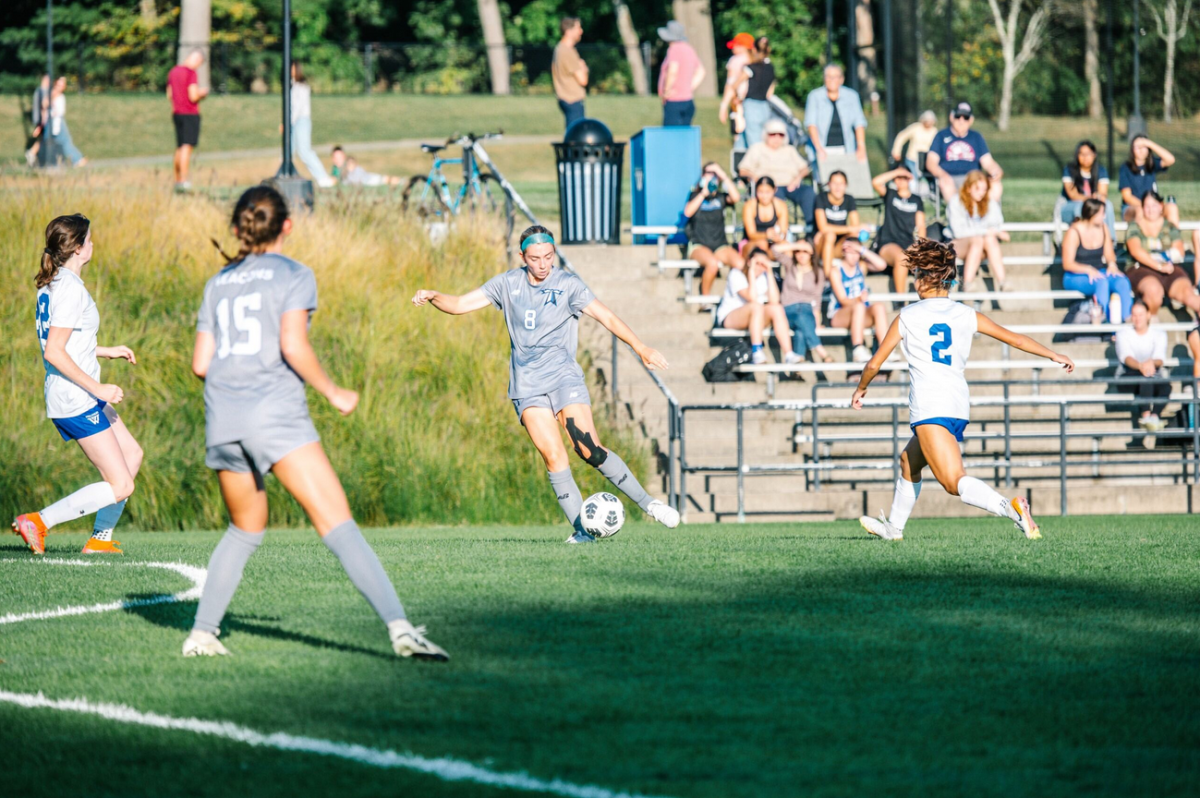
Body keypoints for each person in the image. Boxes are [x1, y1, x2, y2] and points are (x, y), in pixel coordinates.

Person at [183, 186, 446, 660]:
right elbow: (292, 344)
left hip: (223, 417)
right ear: (287, 225)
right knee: (338, 525)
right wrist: (334, 391)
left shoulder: (218, 281)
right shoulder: (295, 274)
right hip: (274, 416)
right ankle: (401, 630)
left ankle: (201, 635)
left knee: (244, 529)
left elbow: (201, 362)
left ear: (242, 226)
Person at [412, 226, 681, 543]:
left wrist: (641, 348)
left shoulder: (568, 285)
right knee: (554, 457)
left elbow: (606, 317)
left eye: (549, 257)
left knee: (589, 450)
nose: (543, 264)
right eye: (536, 258)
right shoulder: (507, 283)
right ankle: (583, 532)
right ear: (522, 257)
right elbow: (458, 304)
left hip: (563, 377)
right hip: (527, 386)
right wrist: (433, 296)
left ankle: (650, 505)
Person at [854, 238, 1074, 541]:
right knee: (909, 461)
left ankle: (1010, 508)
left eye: (917, 273)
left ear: (926, 279)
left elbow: (874, 364)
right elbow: (1016, 339)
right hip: (956, 404)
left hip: (930, 406)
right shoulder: (965, 313)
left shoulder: (907, 316)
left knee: (951, 480)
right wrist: (1053, 355)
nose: (914, 279)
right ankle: (894, 528)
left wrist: (861, 389)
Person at [12, 214, 142, 556]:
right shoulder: (69, 288)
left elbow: (64, 343)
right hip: (76, 397)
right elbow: (55, 352)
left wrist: (104, 351)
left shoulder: (55, 283)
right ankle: (39, 522)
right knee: (121, 483)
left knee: (133, 454)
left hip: (77, 392)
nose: (94, 245)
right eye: (90, 240)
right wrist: (99, 389)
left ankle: (100, 540)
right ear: (80, 249)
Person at [716, 246, 803, 366]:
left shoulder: (764, 276)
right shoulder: (736, 274)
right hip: (730, 318)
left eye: (763, 264)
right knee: (756, 306)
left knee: (776, 308)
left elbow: (775, 299)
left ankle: (788, 354)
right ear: (749, 262)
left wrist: (770, 272)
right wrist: (751, 271)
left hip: (755, 317)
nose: (760, 266)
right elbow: (752, 297)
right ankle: (757, 350)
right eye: (757, 263)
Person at [1124, 191, 1200, 316]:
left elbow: (1179, 251)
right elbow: (1136, 251)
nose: (1150, 210)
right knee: (1154, 292)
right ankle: (1150, 322)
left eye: (1154, 205)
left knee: (1189, 295)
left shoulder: (1169, 226)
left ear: (1161, 206)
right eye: (1147, 206)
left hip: (1169, 268)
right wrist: (1159, 264)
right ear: (1142, 208)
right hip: (1141, 268)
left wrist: (1158, 259)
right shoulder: (1135, 227)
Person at [1061, 198, 1132, 324]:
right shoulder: (1074, 231)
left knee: (1122, 282)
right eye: (1101, 213)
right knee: (1101, 283)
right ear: (1091, 214)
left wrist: (1112, 264)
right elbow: (1067, 264)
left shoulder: (1103, 228)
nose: (1104, 216)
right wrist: (1088, 269)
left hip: (1099, 271)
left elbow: (1109, 254)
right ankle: (1104, 323)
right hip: (1075, 275)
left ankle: (1128, 320)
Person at [738, 118, 815, 228]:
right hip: (768, 187)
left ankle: (811, 228)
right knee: (774, 195)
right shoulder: (757, 149)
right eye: (773, 134)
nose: (777, 138)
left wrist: (798, 178)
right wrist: (756, 179)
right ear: (766, 135)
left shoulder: (790, 150)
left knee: (808, 192)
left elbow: (805, 168)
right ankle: (776, 231)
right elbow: (743, 170)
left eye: (780, 135)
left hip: (791, 185)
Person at [683, 162, 743, 297]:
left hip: (720, 245)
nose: (711, 178)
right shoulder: (695, 195)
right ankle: (705, 299)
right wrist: (703, 194)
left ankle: (738, 296)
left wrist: (723, 175)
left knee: (740, 263)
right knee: (712, 264)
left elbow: (736, 197)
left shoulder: (720, 197)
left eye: (714, 175)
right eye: (708, 174)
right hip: (699, 245)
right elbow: (688, 212)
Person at [1115, 300, 1172, 439]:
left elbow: (1160, 359)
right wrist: (1142, 366)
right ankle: (1147, 415)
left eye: (1140, 314)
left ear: (1148, 315)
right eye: (1134, 315)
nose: (1137, 318)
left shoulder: (1159, 334)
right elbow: (1126, 357)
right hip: (1127, 376)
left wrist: (1150, 363)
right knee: (1146, 377)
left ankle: (1153, 417)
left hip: (1150, 376)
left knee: (1166, 387)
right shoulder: (1123, 333)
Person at [827, 239, 889, 363]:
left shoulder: (861, 266)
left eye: (857, 253)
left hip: (859, 314)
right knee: (859, 306)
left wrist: (862, 249)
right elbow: (843, 300)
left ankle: (885, 350)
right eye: (851, 252)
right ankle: (858, 348)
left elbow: (882, 265)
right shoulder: (836, 271)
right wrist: (859, 299)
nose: (854, 257)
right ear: (844, 252)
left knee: (879, 307)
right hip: (839, 314)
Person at [926, 101, 1003, 200]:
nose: (961, 121)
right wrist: (943, 175)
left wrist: (996, 171)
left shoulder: (976, 137)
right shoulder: (941, 136)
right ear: (951, 117)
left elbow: (988, 162)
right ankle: (958, 214)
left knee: (995, 184)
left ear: (971, 120)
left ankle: (988, 215)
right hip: (950, 178)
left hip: (974, 179)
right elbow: (931, 163)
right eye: (958, 116)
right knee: (945, 182)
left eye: (966, 117)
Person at [948, 170, 1008, 291]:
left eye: (984, 189)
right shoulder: (956, 202)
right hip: (959, 245)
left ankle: (1002, 281)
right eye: (978, 188)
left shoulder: (989, 202)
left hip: (981, 247)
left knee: (988, 239)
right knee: (979, 239)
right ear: (969, 188)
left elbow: (997, 223)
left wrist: (990, 233)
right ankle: (968, 283)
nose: (982, 193)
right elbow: (958, 232)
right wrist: (987, 232)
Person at [277, 62, 334, 187]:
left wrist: (287, 123)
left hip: (301, 121)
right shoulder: (290, 85)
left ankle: (323, 178)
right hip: (292, 121)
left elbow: (297, 108)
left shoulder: (302, 87)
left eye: (291, 68)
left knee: (305, 151)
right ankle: (282, 175)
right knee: (287, 151)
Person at [872, 167, 927, 293]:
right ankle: (901, 300)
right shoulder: (890, 194)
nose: (900, 181)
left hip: (907, 243)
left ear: (909, 179)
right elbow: (875, 182)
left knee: (927, 256)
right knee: (901, 257)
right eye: (898, 178)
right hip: (887, 244)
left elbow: (921, 226)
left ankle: (926, 297)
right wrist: (897, 172)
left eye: (904, 177)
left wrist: (921, 246)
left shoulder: (916, 200)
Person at [780, 239, 833, 363]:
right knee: (801, 315)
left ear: (811, 253)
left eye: (805, 251)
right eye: (798, 251)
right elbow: (774, 250)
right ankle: (821, 352)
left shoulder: (818, 272)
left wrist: (817, 322)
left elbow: (817, 299)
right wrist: (797, 244)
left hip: (807, 311)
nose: (801, 254)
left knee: (801, 330)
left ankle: (796, 367)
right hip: (788, 310)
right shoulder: (790, 265)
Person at [804, 64, 869, 165]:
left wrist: (861, 147)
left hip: (846, 149)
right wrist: (819, 149)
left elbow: (859, 123)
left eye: (835, 77)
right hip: (822, 149)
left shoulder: (852, 96)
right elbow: (811, 124)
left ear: (841, 79)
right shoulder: (814, 96)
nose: (832, 80)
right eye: (829, 76)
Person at [167, 50, 209, 191]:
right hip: (190, 113)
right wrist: (202, 94)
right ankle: (184, 180)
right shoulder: (191, 73)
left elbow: (169, 94)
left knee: (179, 147)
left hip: (177, 112)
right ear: (197, 60)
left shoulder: (173, 71)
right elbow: (193, 96)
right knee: (187, 146)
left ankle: (177, 180)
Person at [1060, 140, 1115, 240]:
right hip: (1069, 207)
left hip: (1091, 207)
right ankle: (1081, 242)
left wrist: (1098, 197)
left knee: (1108, 205)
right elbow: (1073, 195)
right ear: (1077, 155)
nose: (1085, 157)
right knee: (1079, 207)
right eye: (1082, 154)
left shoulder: (1101, 170)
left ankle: (1111, 241)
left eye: (1088, 154)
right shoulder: (1069, 170)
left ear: (1094, 155)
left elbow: (1103, 193)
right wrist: (1090, 198)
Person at [656, 20, 705, 127]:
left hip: (674, 102)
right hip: (688, 102)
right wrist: (688, 87)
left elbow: (673, 70)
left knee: (671, 137)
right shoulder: (689, 49)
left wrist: (667, 91)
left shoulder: (674, 49)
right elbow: (701, 71)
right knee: (683, 136)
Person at [813, 170, 862, 275]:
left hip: (839, 246)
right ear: (829, 184)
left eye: (841, 184)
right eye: (834, 183)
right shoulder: (821, 198)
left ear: (846, 185)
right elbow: (823, 227)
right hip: (821, 244)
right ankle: (828, 277)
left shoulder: (849, 199)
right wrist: (848, 229)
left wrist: (850, 230)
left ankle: (853, 274)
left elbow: (855, 226)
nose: (838, 187)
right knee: (830, 235)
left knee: (854, 236)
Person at [1118, 135, 1176, 223]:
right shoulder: (1125, 168)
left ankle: (1174, 236)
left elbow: (1170, 160)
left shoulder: (1152, 164)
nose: (1141, 150)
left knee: (1171, 208)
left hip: (1153, 205)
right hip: (1132, 207)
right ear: (1132, 150)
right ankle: (1139, 236)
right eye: (1138, 147)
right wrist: (1146, 206)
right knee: (1140, 211)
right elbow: (1127, 197)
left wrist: (1149, 143)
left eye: (1144, 147)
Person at [735, 37, 775, 151]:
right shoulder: (770, 68)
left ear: (753, 50)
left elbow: (736, 84)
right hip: (765, 106)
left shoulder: (750, 68)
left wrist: (738, 97)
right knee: (752, 138)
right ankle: (739, 159)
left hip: (751, 105)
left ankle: (756, 165)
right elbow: (770, 91)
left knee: (754, 142)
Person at [718, 32, 754, 153]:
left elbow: (730, 84)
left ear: (744, 47)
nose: (733, 48)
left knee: (738, 134)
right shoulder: (755, 59)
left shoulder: (735, 61)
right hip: (753, 102)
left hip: (737, 102)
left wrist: (723, 105)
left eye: (736, 45)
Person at [552, 17, 588, 132]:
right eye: (578, 28)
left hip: (565, 98)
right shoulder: (567, 51)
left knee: (572, 135)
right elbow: (583, 80)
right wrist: (583, 68)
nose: (581, 31)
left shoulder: (559, 49)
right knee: (575, 138)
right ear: (568, 31)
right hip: (572, 100)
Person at [742, 176, 789, 253]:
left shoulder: (780, 205)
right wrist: (766, 235)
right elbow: (751, 234)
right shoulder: (750, 206)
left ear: (774, 190)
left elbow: (783, 230)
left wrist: (779, 236)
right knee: (762, 245)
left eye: (767, 192)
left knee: (786, 247)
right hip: (752, 242)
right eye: (760, 192)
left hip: (772, 242)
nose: (764, 196)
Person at [48, 76, 86, 167]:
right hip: (54, 122)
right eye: (58, 84)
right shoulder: (52, 95)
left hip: (58, 121)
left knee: (64, 142)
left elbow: (60, 112)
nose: (60, 87)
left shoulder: (60, 97)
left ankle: (77, 159)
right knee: (61, 142)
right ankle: (74, 160)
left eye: (62, 85)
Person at [890, 110, 939, 178]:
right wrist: (896, 151)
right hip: (912, 159)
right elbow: (902, 137)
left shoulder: (934, 131)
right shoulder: (916, 128)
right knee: (913, 180)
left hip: (926, 161)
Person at [330, 147, 401, 187]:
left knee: (388, 180)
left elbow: (352, 164)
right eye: (336, 158)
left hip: (367, 179)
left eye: (340, 157)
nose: (339, 160)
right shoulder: (335, 169)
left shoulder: (347, 164)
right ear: (333, 159)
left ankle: (403, 183)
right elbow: (334, 180)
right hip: (363, 183)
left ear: (344, 156)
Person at [25, 73, 50, 167]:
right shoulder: (41, 91)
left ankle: (34, 154)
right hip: (42, 120)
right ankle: (31, 153)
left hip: (41, 119)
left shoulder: (40, 91)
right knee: (43, 138)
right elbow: (41, 107)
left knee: (42, 137)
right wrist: (40, 121)